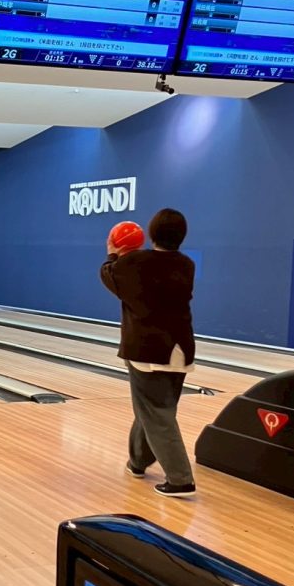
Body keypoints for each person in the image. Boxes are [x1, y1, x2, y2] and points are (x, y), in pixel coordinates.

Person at [100, 209, 197, 498]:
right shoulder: (187, 264)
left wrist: (113, 252)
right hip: (180, 350)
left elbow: (108, 274)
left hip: (148, 350)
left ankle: (180, 479)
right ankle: (138, 461)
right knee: (153, 410)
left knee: (157, 414)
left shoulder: (135, 262)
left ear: (152, 233)